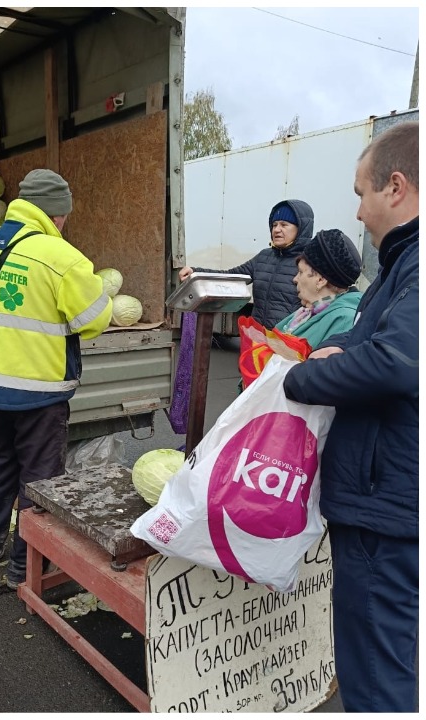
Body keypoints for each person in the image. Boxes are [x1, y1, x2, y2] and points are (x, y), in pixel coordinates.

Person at [282, 121, 418, 712]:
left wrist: (297, 377)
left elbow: (397, 362)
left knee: (374, 664)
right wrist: (351, 353)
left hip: (385, 502)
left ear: (395, 186)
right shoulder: (400, 266)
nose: (358, 211)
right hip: (388, 491)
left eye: (361, 192)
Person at [0, 169, 111, 587]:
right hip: (40, 392)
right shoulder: (63, 257)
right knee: (41, 481)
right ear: (57, 214)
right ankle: (24, 569)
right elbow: (93, 319)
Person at [178, 199, 314, 328]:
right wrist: (195, 272)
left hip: (289, 342)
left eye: (284, 225)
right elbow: (231, 276)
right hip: (258, 339)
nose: (277, 230)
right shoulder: (264, 257)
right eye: (274, 225)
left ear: (301, 229)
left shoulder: (309, 263)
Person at [271, 228, 363, 347]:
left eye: (301, 272)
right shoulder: (307, 312)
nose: (295, 279)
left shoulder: (343, 321)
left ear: (320, 280)